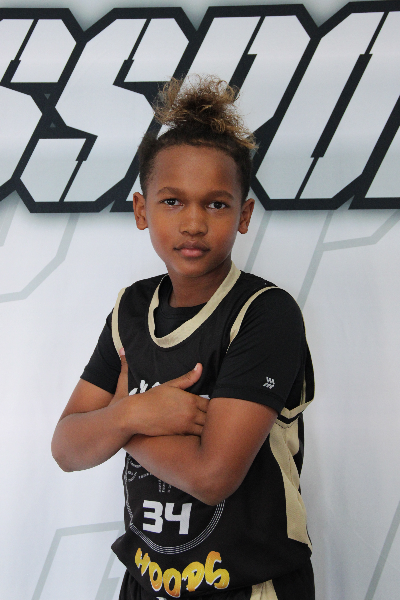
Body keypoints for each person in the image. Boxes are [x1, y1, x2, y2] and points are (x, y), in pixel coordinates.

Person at [52, 76, 315, 600]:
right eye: (172, 201)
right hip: (147, 582)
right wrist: (135, 413)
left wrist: (117, 423)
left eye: (216, 204)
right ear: (141, 210)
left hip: (247, 586)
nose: (193, 223)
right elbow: (66, 447)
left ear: (243, 215)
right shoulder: (131, 308)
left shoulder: (265, 313)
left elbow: (213, 477)